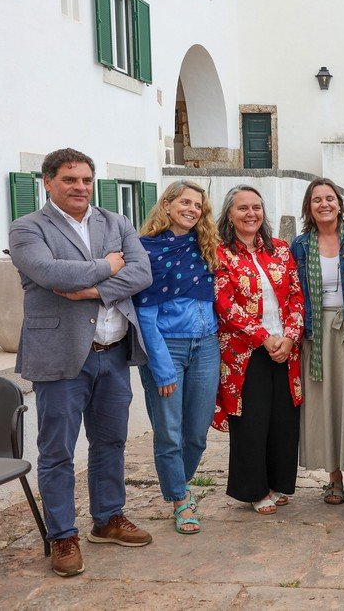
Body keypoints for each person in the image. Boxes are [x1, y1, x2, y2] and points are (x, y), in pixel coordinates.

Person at [8, 148, 153, 577]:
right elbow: (51, 273)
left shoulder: (116, 222)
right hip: (60, 357)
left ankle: (108, 519)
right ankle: (62, 536)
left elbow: (142, 272)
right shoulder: (26, 228)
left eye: (87, 180)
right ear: (48, 182)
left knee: (110, 443)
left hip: (113, 355)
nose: (81, 188)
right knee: (57, 452)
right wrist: (107, 266)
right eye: (71, 180)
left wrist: (91, 288)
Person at [135, 181, 220, 535]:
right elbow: (144, 314)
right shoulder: (146, 250)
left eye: (198, 205)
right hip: (167, 346)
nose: (192, 209)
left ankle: (178, 485)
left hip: (207, 345)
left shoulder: (206, 247)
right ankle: (181, 499)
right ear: (167, 205)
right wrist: (161, 366)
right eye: (185, 202)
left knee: (197, 433)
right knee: (169, 434)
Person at [213, 185, 304, 515]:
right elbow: (225, 304)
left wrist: (290, 337)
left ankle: (278, 482)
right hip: (244, 352)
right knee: (252, 421)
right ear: (230, 214)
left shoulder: (280, 249)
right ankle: (253, 488)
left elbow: (296, 295)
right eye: (242, 208)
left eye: (256, 207)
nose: (251, 214)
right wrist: (264, 337)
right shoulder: (221, 253)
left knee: (283, 420)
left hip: (285, 349)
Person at [290, 178, 344, 506]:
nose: (324, 204)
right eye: (317, 200)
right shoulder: (300, 245)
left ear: (339, 203)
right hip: (315, 335)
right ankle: (333, 476)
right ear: (309, 207)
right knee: (325, 404)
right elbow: (290, 290)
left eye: (330, 198)